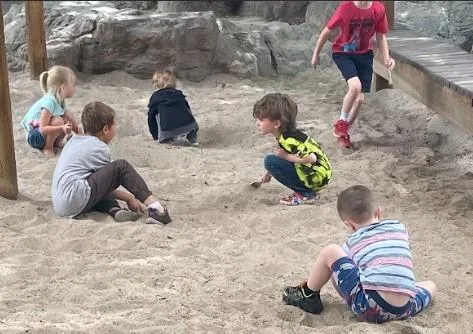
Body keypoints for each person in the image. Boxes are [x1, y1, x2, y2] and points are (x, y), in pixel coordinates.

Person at [282, 185, 436, 323]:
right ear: (378, 212)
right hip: (404, 308)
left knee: (331, 252)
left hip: (369, 308)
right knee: (430, 285)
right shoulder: (399, 227)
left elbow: (345, 272)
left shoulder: (353, 242)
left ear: (349, 224)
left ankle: (308, 294)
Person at [51, 101, 172, 224]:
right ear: (105, 129)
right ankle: (157, 209)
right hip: (74, 197)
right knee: (121, 167)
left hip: (60, 204)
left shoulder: (74, 141)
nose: (116, 129)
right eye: (114, 125)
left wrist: (128, 198)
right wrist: (130, 197)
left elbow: (100, 184)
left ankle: (114, 210)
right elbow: (110, 181)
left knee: (90, 183)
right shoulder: (99, 147)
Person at [311, 1, 395, 148]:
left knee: (360, 100)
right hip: (343, 53)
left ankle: (342, 132)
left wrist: (387, 58)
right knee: (355, 86)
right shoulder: (346, 7)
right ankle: (342, 122)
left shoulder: (378, 9)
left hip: (364, 55)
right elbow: (326, 31)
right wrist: (316, 54)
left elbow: (381, 36)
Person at [253, 93, 332, 206]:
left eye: (260, 120)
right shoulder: (286, 136)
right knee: (274, 160)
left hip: (317, 176)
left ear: (276, 123)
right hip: (321, 174)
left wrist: (286, 157)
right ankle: (306, 190)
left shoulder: (289, 140)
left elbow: (312, 158)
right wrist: (268, 174)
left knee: (269, 161)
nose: (257, 124)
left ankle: (306, 194)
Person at [20, 65, 81, 158]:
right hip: (34, 136)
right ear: (63, 88)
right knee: (58, 121)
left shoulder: (60, 100)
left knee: (66, 116)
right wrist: (62, 127)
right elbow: (42, 128)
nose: (75, 88)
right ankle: (48, 148)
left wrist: (79, 132)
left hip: (42, 134)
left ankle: (57, 143)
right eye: (73, 85)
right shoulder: (49, 102)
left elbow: (68, 117)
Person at [147, 69, 199, 146]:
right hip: (189, 126)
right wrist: (194, 128)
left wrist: (155, 135)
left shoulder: (155, 97)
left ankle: (166, 138)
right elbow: (188, 110)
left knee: (158, 112)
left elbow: (151, 118)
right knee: (184, 110)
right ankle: (192, 138)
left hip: (169, 129)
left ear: (155, 84)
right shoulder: (178, 94)